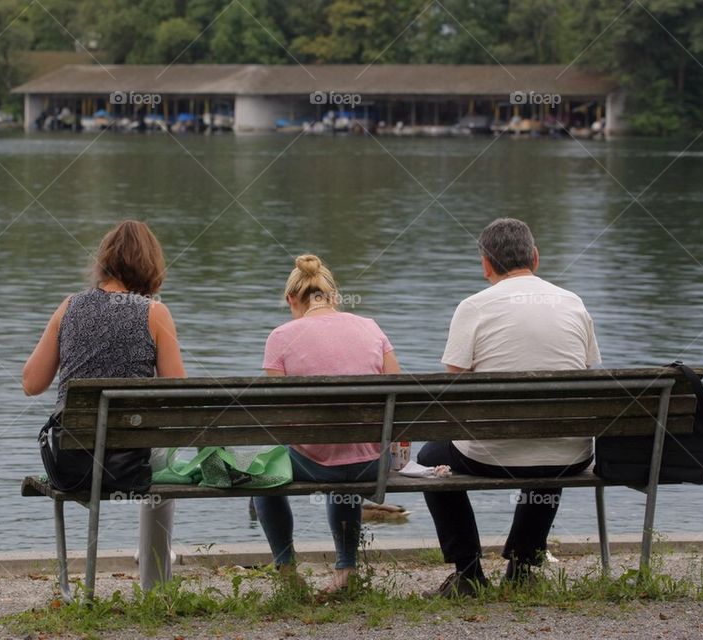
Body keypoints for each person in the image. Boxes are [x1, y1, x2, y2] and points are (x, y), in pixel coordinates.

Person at [420, 218, 601, 597]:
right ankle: (521, 568)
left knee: (428, 460)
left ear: (486, 264)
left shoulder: (474, 306)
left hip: (491, 453)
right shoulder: (573, 303)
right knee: (551, 445)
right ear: (534, 257)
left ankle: (468, 573)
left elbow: (451, 388)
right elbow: (591, 375)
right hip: (569, 456)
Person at [21, 220, 186, 591]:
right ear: (150, 266)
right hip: (129, 466)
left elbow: (31, 384)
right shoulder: (155, 313)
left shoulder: (70, 306)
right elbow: (178, 396)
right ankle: (155, 586)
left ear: (104, 263)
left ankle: (73, 585)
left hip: (73, 465)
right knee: (163, 467)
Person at [253, 255, 401, 593]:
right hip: (372, 465)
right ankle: (346, 569)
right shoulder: (371, 327)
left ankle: (288, 573)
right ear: (334, 297)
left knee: (263, 475)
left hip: (317, 465)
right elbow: (399, 393)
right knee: (346, 451)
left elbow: (274, 413)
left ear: (292, 300)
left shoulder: (280, 336)